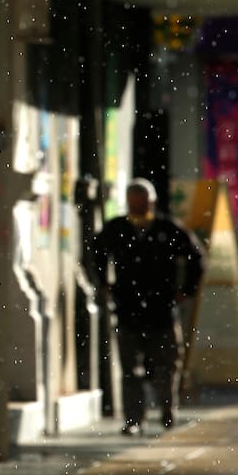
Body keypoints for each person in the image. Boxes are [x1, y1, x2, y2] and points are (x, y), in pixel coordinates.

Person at [93, 178, 204, 436]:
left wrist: (185, 291)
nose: (139, 208)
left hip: (161, 310)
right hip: (128, 309)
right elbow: (96, 251)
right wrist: (104, 283)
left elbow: (195, 257)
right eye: (134, 203)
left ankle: (167, 409)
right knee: (130, 369)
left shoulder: (167, 229)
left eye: (142, 203)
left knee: (166, 365)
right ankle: (134, 418)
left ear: (151, 202)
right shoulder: (118, 228)